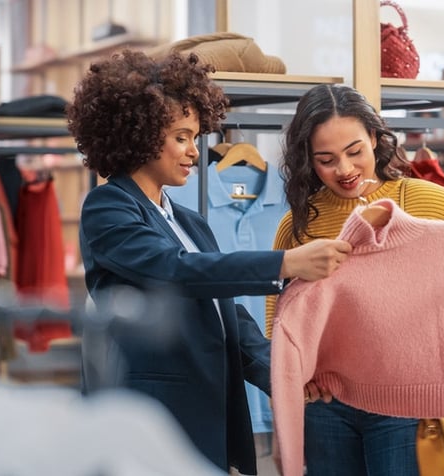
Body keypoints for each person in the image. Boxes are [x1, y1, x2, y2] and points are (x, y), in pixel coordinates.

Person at [68, 50, 352, 475]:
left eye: (195, 138)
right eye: (181, 137)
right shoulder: (107, 207)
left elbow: (227, 315)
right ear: (139, 134)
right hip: (153, 415)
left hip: (206, 410)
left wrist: (285, 376)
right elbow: (174, 270)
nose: (194, 153)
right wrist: (285, 263)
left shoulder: (189, 221)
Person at [265, 83, 444, 475]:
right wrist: (295, 380)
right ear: (309, 160)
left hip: (406, 405)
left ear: (374, 138)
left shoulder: (425, 199)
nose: (346, 170)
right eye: (327, 159)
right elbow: (278, 315)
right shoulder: (299, 224)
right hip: (326, 406)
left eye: (355, 152)